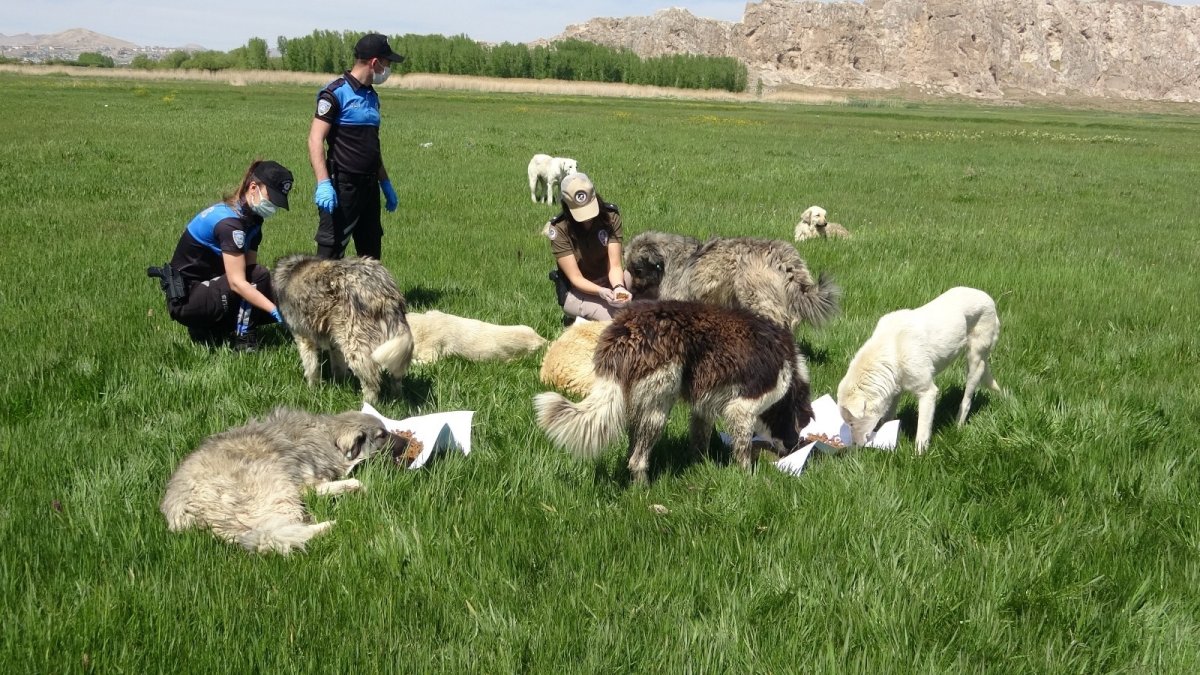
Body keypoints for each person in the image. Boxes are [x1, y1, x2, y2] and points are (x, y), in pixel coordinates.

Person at [160, 160, 293, 350]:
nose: (273, 206)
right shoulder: (229, 224)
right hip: (187, 301)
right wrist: (276, 311)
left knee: (273, 289)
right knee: (260, 280)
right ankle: (244, 340)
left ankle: (212, 329)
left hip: (207, 288)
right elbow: (238, 283)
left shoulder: (252, 221)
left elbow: (249, 271)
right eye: (271, 198)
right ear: (253, 188)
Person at [308, 32, 405, 260]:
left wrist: (385, 182)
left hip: (369, 187)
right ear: (375, 62)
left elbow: (372, 147)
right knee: (329, 255)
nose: (389, 69)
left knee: (371, 256)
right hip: (343, 186)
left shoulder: (372, 96)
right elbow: (315, 139)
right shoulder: (335, 93)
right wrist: (323, 183)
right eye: (387, 63)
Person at [545, 172, 633, 323]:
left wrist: (619, 287)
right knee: (615, 322)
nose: (587, 218)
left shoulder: (611, 216)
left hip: (610, 281)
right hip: (579, 291)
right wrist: (601, 291)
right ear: (566, 206)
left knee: (647, 298)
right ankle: (576, 319)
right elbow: (575, 278)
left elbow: (615, 265)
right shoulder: (559, 228)